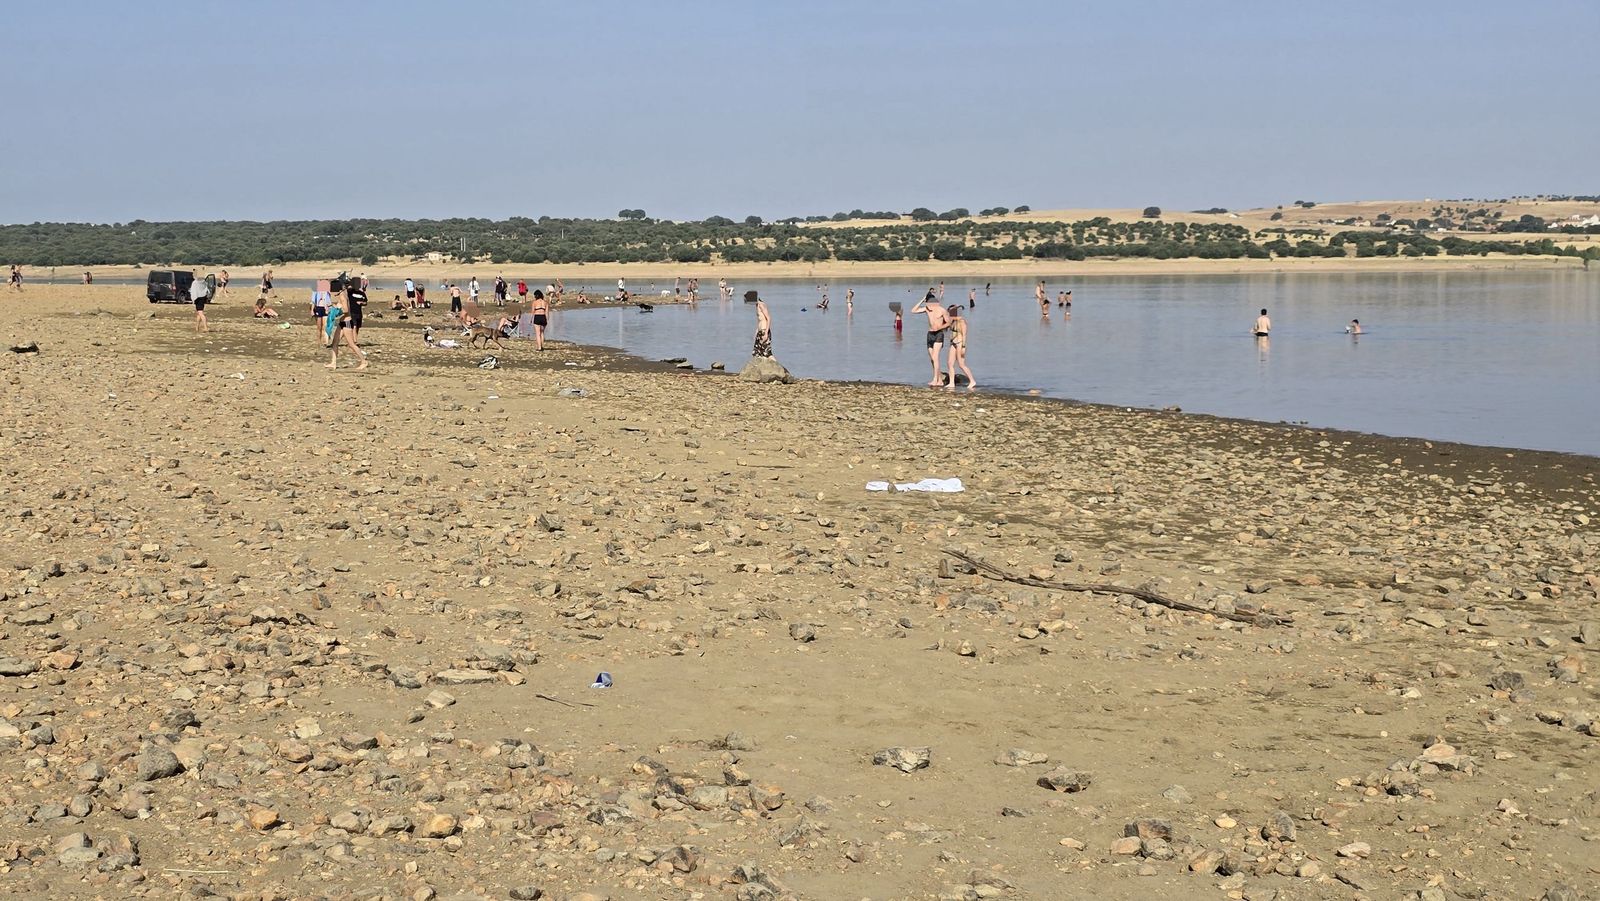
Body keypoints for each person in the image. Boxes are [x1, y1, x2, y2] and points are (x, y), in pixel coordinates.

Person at [911, 289, 951, 386]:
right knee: (932, 359)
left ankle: (935, 379)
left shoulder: (942, 310)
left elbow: (949, 322)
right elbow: (913, 310)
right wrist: (922, 299)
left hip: (938, 334)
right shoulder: (927, 309)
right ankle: (940, 380)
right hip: (930, 335)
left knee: (935, 357)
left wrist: (940, 327)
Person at [324, 290, 368, 370]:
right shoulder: (342, 295)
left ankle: (364, 361)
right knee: (335, 343)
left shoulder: (343, 296)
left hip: (347, 323)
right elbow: (340, 306)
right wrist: (332, 306)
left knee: (351, 344)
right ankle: (333, 363)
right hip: (342, 323)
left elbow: (346, 310)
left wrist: (337, 310)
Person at [945, 305, 975, 391]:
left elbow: (964, 335)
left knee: (961, 364)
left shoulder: (962, 322)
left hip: (960, 343)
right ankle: (951, 383)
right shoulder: (953, 321)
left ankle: (972, 381)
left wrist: (963, 347)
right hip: (953, 343)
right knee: (950, 363)